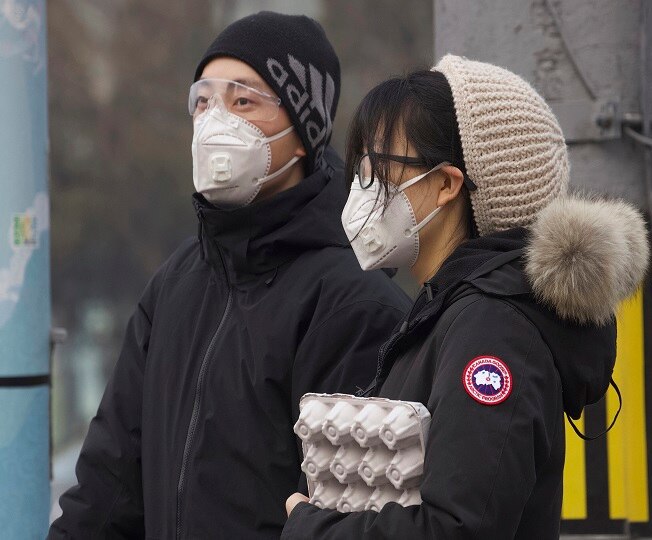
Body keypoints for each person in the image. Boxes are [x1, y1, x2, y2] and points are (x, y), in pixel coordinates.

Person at [49, 12, 410, 539]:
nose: (216, 121)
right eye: (202, 101)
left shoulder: (353, 305)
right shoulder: (176, 283)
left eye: (243, 101)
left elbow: (353, 522)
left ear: (305, 129)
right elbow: (109, 484)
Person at [283, 55, 649, 539]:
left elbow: (457, 528)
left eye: (379, 167)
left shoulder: (492, 329)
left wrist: (315, 529)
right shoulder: (451, 312)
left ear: (446, 185)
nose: (361, 188)